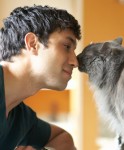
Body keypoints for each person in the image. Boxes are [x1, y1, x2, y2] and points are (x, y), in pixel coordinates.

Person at [0, 5, 81, 150]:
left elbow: (62, 137)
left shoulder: (20, 118)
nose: (75, 62)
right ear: (33, 43)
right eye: (67, 46)